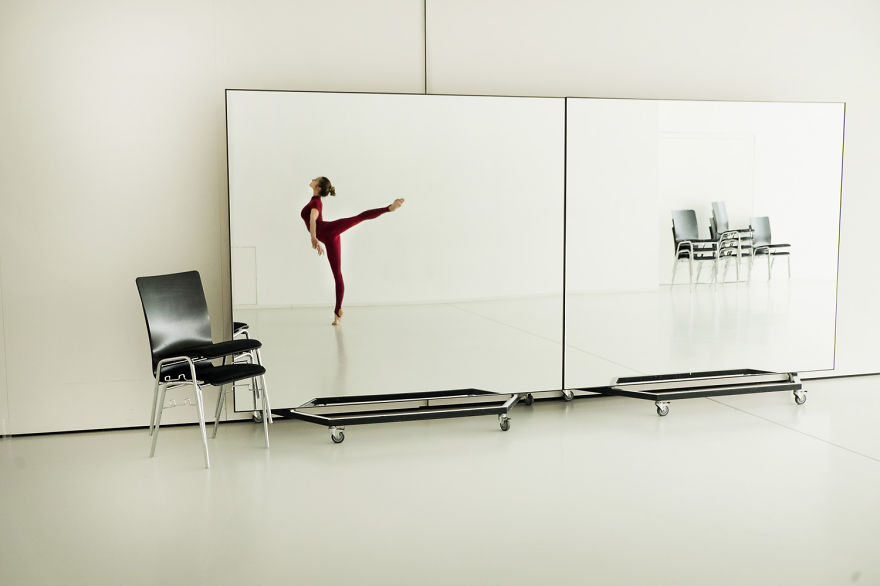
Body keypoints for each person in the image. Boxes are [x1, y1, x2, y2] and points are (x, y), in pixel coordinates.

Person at [300, 176, 404, 325]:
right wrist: (316, 238)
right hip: (330, 238)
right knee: (337, 275)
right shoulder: (315, 200)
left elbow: (312, 219)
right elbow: (313, 221)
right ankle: (338, 313)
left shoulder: (316, 202)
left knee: (359, 217)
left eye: (315, 179)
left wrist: (313, 238)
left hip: (329, 231)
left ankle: (389, 208)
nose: (312, 179)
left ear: (319, 188)